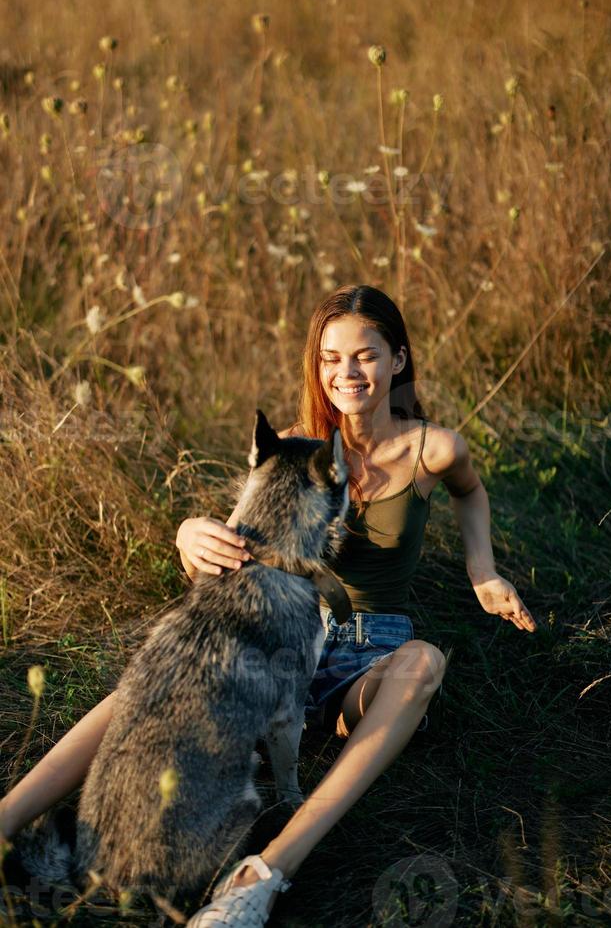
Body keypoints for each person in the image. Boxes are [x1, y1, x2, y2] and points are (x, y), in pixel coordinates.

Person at [0, 284, 537, 927]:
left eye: (365, 356)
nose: (346, 373)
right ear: (316, 366)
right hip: (280, 639)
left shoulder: (433, 448)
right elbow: (232, 555)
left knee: (423, 664)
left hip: (369, 660)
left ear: (397, 361)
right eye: (330, 358)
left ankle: (262, 874)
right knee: (142, 687)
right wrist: (188, 537)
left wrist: (483, 572)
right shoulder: (292, 446)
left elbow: (470, 494)